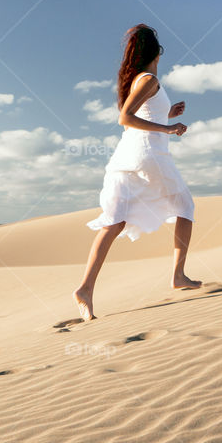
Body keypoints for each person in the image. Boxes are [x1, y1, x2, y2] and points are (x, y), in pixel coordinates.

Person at [73, 24, 201, 321]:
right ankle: (178, 275)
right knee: (185, 206)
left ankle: (85, 289)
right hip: (149, 155)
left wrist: (168, 113)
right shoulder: (149, 79)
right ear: (156, 52)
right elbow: (125, 117)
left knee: (114, 223)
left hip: (127, 157)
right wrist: (168, 128)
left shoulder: (140, 80)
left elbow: (143, 114)